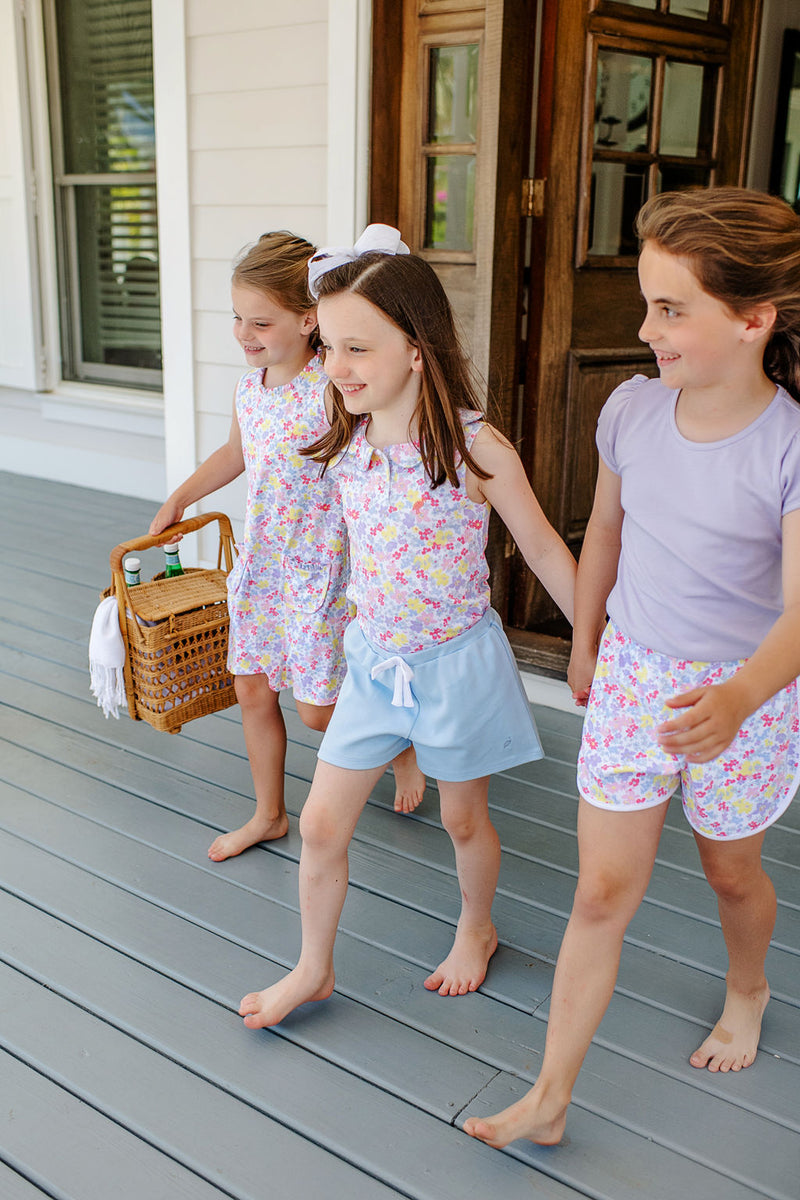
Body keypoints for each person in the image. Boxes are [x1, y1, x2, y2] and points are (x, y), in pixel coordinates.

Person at [465, 186, 800, 1150]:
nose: (644, 328)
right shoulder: (630, 409)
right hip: (634, 680)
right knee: (600, 894)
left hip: (744, 692)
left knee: (733, 877)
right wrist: (585, 641)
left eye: (670, 308)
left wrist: (738, 698)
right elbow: (605, 527)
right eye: (647, 303)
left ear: (752, 320)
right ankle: (551, 1094)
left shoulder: (787, 447)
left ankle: (749, 987)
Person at [238, 224, 577, 1029]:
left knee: (464, 819)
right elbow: (298, 518)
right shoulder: (344, 439)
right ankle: (312, 967)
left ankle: (477, 925)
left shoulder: (470, 446)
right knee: (320, 824)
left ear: (418, 349)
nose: (338, 368)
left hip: (455, 667)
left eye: (359, 350)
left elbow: (542, 550)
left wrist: (597, 645)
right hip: (373, 665)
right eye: (331, 349)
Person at [150, 231, 425, 863]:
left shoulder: (334, 385)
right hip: (263, 563)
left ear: (309, 320)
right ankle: (269, 813)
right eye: (237, 319)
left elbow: (387, 440)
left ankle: (403, 744)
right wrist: (180, 498)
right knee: (252, 689)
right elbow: (235, 454)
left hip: (321, 566)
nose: (245, 334)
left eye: (261, 321)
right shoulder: (253, 389)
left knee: (319, 712)